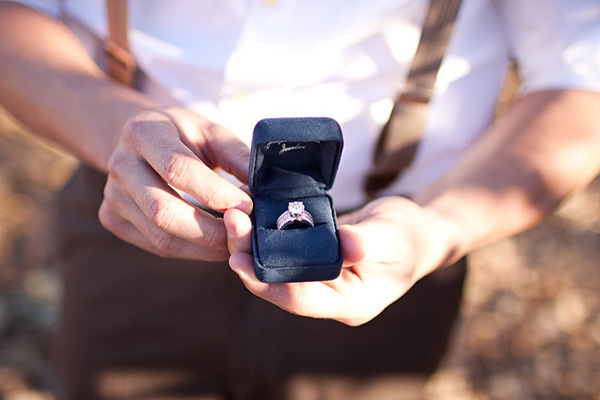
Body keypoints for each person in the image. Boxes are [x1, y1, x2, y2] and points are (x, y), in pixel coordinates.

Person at [1, 1, 599, 399]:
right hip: (129, 221)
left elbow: (582, 78)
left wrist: (436, 230)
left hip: (391, 250)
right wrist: (118, 127)